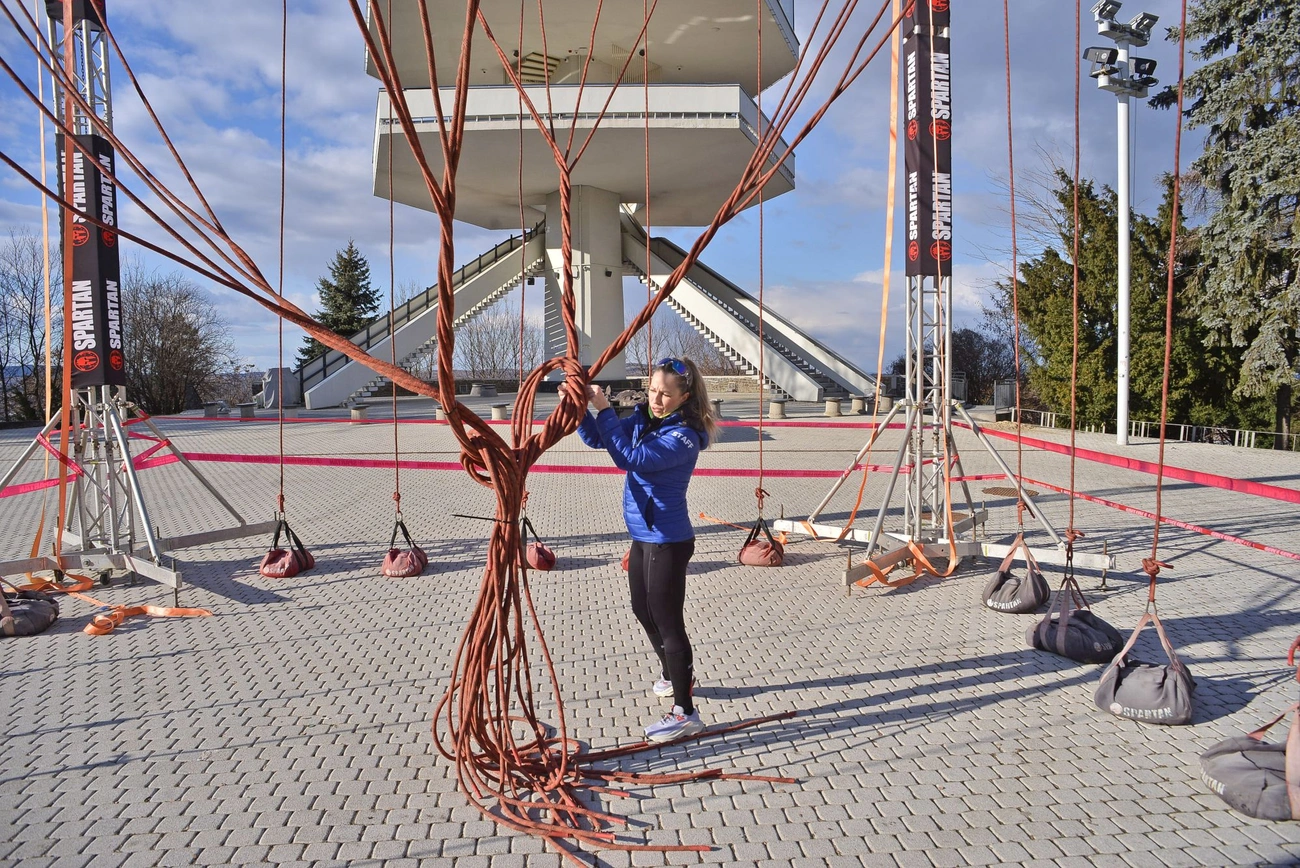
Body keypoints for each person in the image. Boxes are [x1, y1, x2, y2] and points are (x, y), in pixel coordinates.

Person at [575, 357, 719, 742]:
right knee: (643, 609)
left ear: (684, 397)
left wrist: (604, 408)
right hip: (642, 536)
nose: (656, 398)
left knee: (669, 622)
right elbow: (597, 438)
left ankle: (686, 712)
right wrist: (579, 409)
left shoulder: (684, 436)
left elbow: (629, 458)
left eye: (665, 394)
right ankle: (674, 675)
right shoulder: (644, 420)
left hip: (668, 541)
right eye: (653, 390)